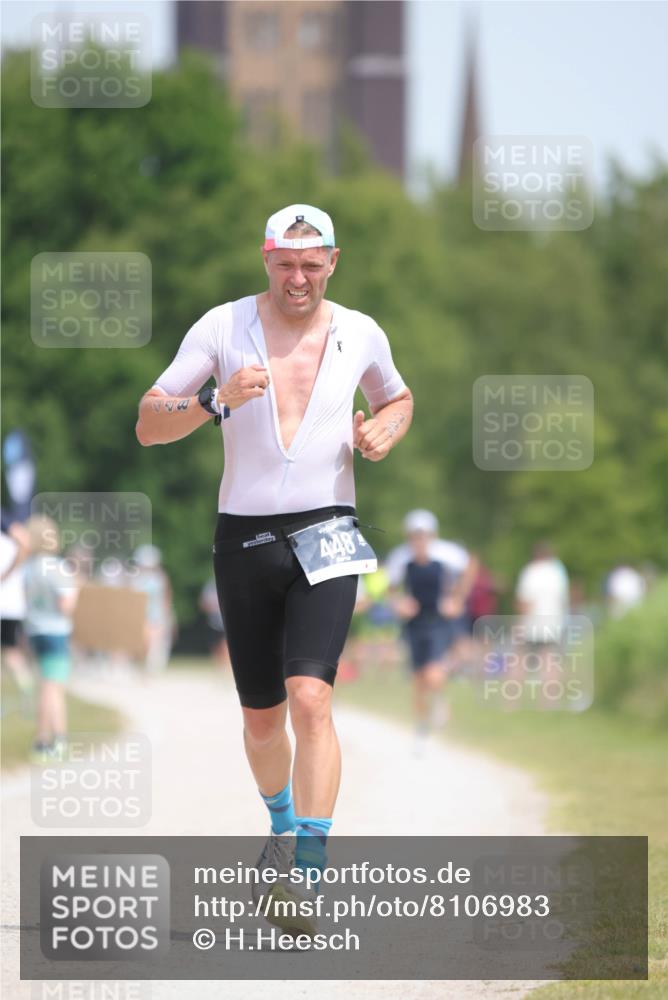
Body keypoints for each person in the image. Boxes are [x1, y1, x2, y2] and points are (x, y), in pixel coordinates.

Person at [135, 204, 412, 933]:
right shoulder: (222, 328)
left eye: (311, 265)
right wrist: (213, 400)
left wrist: (385, 428)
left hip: (329, 528)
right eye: (285, 265)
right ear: (266, 259)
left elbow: (397, 395)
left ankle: (308, 875)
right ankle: (281, 824)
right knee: (263, 722)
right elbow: (149, 422)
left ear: (333, 262)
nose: (298, 278)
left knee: (311, 698)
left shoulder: (361, 331)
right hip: (244, 538)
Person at [385, 510, 478, 750]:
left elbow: (471, 566)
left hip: (438, 620)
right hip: (414, 623)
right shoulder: (400, 558)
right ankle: (421, 725)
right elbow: (390, 587)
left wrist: (457, 599)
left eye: (424, 535)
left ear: (432, 535)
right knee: (418, 679)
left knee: (433, 673)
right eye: (415, 536)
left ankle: (439, 701)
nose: (419, 541)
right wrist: (399, 604)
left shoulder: (447, 554)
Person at [22, 515, 79, 762]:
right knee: (53, 687)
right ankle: (52, 738)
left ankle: (46, 738)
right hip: (56, 630)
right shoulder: (57, 567)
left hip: (35, 629)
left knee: (46, 683)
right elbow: (65, 604)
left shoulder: (29, 568)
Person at [0, 516, 34, 709]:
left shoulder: (9, 543)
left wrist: (5, 575)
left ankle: (27, 693)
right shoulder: (11, 544)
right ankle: (26, 693)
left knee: (11, 655)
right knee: (12, 655)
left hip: (6, 607)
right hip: (12, 607)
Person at [130, 544, 174, 675]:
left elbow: (166, 596)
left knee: (154, 643)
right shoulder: (135, 578)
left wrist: (167, 614)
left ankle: (149, 670)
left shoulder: (160, 577)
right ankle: (142, 667)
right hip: (140, 614)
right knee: (144, 643)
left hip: (156, 614)